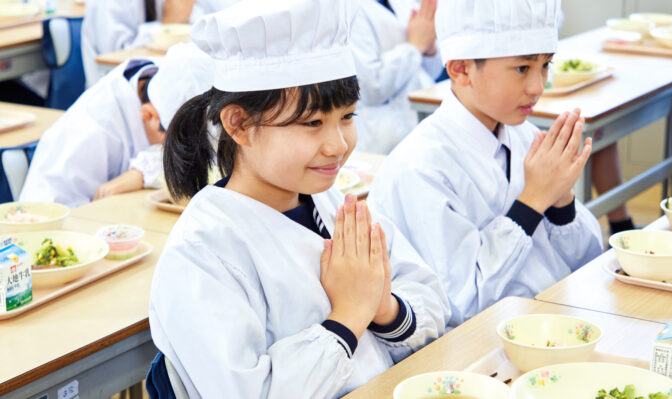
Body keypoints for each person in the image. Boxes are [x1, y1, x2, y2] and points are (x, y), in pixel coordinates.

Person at [147, 1, 450, 398]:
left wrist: (384, 309)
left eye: (347, 117)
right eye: (312, 123)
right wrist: (348, 316)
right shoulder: (203, 252)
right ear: (239, 124)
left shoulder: (336, 207)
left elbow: (432, 303)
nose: (338, 144)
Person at [368, 0, 603, 328]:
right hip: (476, 348)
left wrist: (561, 203)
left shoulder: (525, 138)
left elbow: (589, 258)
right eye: (523, 68)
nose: (538, 86)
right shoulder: (420, 168)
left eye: (546, 65)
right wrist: (533, 202)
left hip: (550, 320)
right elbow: (461, 302)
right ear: (461, 69)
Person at [20, 43, 213, 208]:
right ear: (148, 115)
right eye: (180, 143)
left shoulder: (182, 73)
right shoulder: (88, 129)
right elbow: (42, 217)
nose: (192, 152)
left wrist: (142, 173)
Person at [350, 0, 442, 153]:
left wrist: (429, 49)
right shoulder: (349, 10)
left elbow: (431, 72)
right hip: (379, 139)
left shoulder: (403, 3)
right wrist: (415, 47)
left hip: (420, 123)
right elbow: (369, 88)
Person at [80, 0, 235, 87]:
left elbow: (215, 24)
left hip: (175, 84)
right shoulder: (108, 4)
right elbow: (118, 60)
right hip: (126, 94)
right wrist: (169, 24)